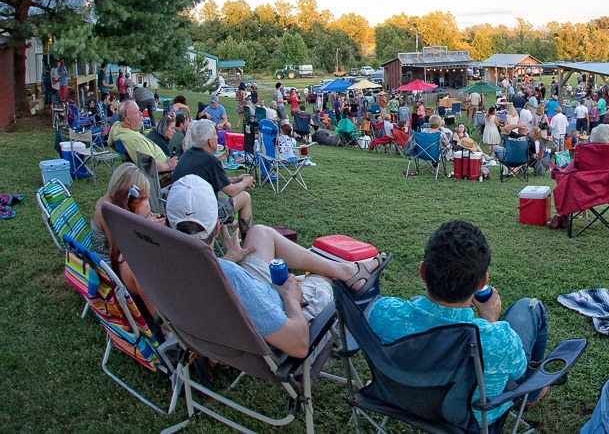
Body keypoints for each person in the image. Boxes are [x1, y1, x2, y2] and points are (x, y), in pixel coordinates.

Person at [166, 175, 389, 358]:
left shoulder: (160, 260)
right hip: (275, 327)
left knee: (259, 233)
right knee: (323, 279)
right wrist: (290, 296)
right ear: (216, 227)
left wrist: (229, 258)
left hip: (230, 305)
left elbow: (212, 277)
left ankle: (346, 270)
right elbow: (298, 345)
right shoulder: (231, 277)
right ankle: (345, 273)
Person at [367, 221, 549, 425]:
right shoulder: (501, 340)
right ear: (482, 282)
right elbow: (518, 371)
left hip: (401, 401)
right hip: (471, 418)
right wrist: (490, 321)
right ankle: (531, 396)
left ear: (422, 272)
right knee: (529, 307)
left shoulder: (383, 313)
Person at [91, 164, 164, 311]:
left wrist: (145, 217)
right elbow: (119, 252)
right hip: (108, 270)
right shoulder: (107, 211)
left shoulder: (110, 203)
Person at [172, 119, 255, 237]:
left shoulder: (188, 154)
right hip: (200, 220)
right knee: (245, 197)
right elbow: (232, 191)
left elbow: (219, 181)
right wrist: (245, 182)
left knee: (218, 189)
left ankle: (227, 240)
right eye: (215, 135)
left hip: (179, 215)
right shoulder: (211, 160)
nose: (217, 137)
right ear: (210, 142)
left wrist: (237, 178)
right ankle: (247, 243)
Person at [108, 101, 179, 173]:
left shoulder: (117, 126)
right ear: (128, 120)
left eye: (139, 110)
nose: (141, 114)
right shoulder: (135, 140)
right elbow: (150, 166)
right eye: (136, 113)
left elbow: (110, 143)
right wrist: (168, 165)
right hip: (162, 176)